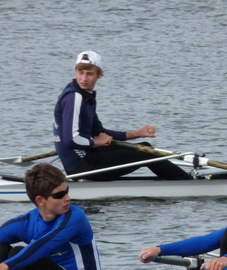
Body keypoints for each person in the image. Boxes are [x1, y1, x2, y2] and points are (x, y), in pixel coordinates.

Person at [53, 50, 192, 181]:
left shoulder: (85, 96)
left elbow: (100, 132)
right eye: (80, 72)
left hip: (86, 157)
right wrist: (97, 142)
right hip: (82, 166)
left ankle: (182, 181)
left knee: (144, 146)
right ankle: (188, 184)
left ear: (100, 74)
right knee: (146, 153)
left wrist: (137, 133)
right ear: (75, 71)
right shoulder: (74, 97)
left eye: (89, 74)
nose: (84, 78)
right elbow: (70, 140)